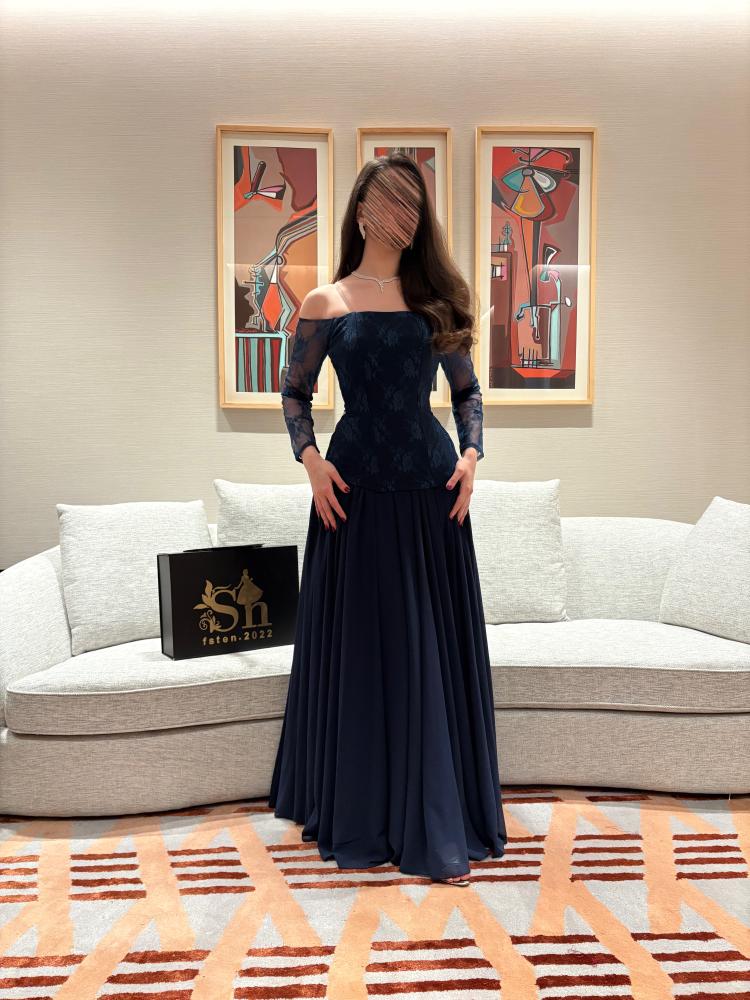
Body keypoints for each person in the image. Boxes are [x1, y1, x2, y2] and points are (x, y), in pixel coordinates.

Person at [268, 152, 507, 886]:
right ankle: (364, 809)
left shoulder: (437, 299)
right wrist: (311, 462)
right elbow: (294, 392)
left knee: (426, 653)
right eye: (389, 200)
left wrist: (472, 457)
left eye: (412, 203)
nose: (401, 214)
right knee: (364, 652)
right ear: (363, 210)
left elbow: (468, 394)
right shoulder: (327, 302)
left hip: (432, 496)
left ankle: (434, 813)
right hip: (354, 496)